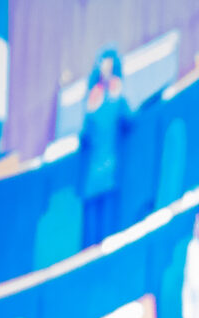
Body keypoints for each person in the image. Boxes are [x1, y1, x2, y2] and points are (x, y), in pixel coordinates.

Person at [78, 49, 129, 249]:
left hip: (109, 174)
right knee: (91, 239)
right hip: (94, 177)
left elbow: (127, 121)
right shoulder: (93, 102)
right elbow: (84, 138)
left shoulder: (116, 99)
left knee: (107, 237)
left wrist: (117, 95)